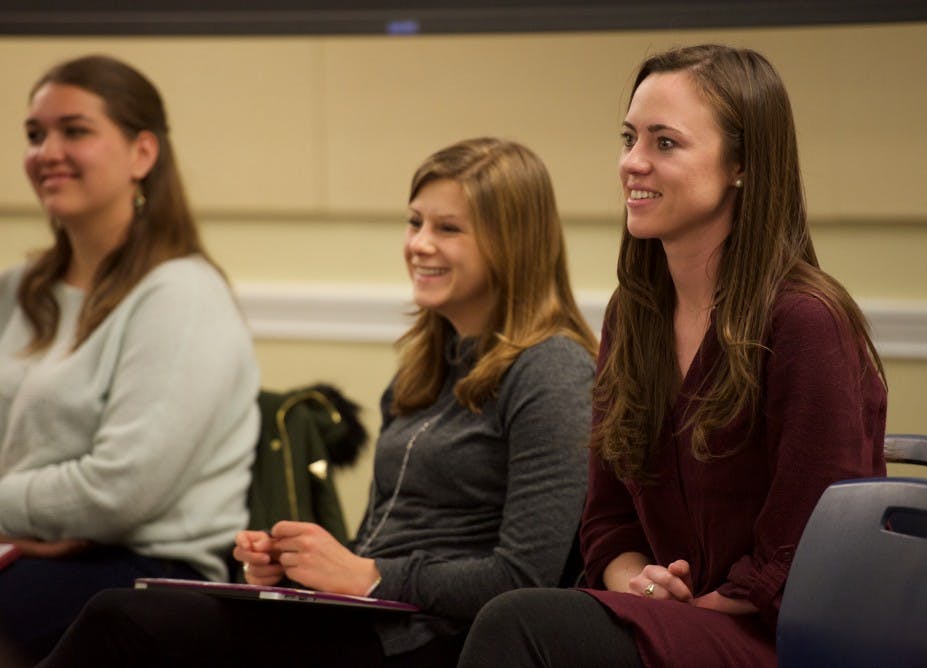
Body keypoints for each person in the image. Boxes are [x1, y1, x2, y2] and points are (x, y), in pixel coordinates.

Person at [42, 137, 598, 667]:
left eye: (447, 228)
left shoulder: (553, 369)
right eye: (414, 222)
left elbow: (523, 578)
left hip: (436, 640)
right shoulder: (426, 367)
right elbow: (385, 539)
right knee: (125, 615)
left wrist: (369, 576)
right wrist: (298, 571)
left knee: (125, 620)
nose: (419, 244)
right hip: (371, 621)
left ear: (513, 244)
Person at [457, 44, 888, 667]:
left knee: (520, 623)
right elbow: (607, 522)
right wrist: (642, 583)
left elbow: (808, 548)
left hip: (786, 638)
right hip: (677, 621)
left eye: (665, 143)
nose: (633, 163)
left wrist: (688, 608)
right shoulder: (633, 316)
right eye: (629, 138)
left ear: (741, 163)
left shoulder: (804, 321)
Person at [0, 54, 260, 663]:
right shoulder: (17, 289)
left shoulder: (182, 294)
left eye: (75, 130)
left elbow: (119, 492)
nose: (47, 151)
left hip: (145, 573)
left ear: (142, 154)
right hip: (24, 548)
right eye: (35, 135)